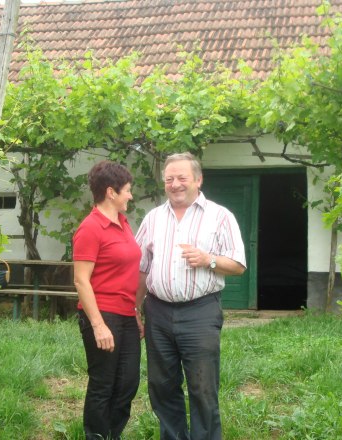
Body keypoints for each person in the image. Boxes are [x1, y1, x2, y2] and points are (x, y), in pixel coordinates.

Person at [135, 152, 247, 439]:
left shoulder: (220, 216)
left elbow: (238, 265)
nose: (175, 184)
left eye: (182, 178)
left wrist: (208, 259)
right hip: (158, 312)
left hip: (200, 312)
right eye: (169, 179)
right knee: (161, 385)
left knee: (203, 387)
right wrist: (136, 310)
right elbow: (142, 269)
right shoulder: (153, 218)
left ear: (198, 179)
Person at [73, 160, 143, 440]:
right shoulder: (91, 228)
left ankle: (112, 434)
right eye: (127, 190)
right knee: (103, 383)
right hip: (102, 315)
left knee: (127, 383)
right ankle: (96, 436)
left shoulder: (123, 223)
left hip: (126, 315)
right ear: (111, 192)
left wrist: (135, 312)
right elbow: (81, 280)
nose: (131, 195)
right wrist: (99, 325)